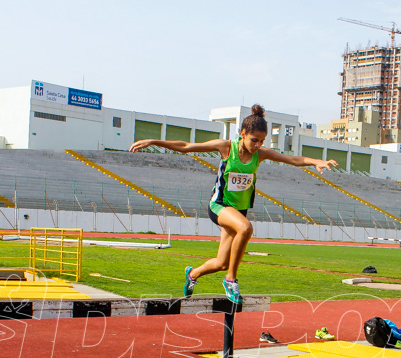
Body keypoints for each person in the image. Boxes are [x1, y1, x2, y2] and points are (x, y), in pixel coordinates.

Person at [129, 104, 336, 303]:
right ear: (243, 133)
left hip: (238, 211)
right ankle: (230, 281)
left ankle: (192, 274)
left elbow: (292, 159)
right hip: (219, 205)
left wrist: (316, 161)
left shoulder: (260, 154)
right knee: (245, 228)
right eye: (254, 140)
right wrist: (154, 141)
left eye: (262, 142)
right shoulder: (227, 147)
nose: (258, 146)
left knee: (221, 263)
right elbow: (186, 147)